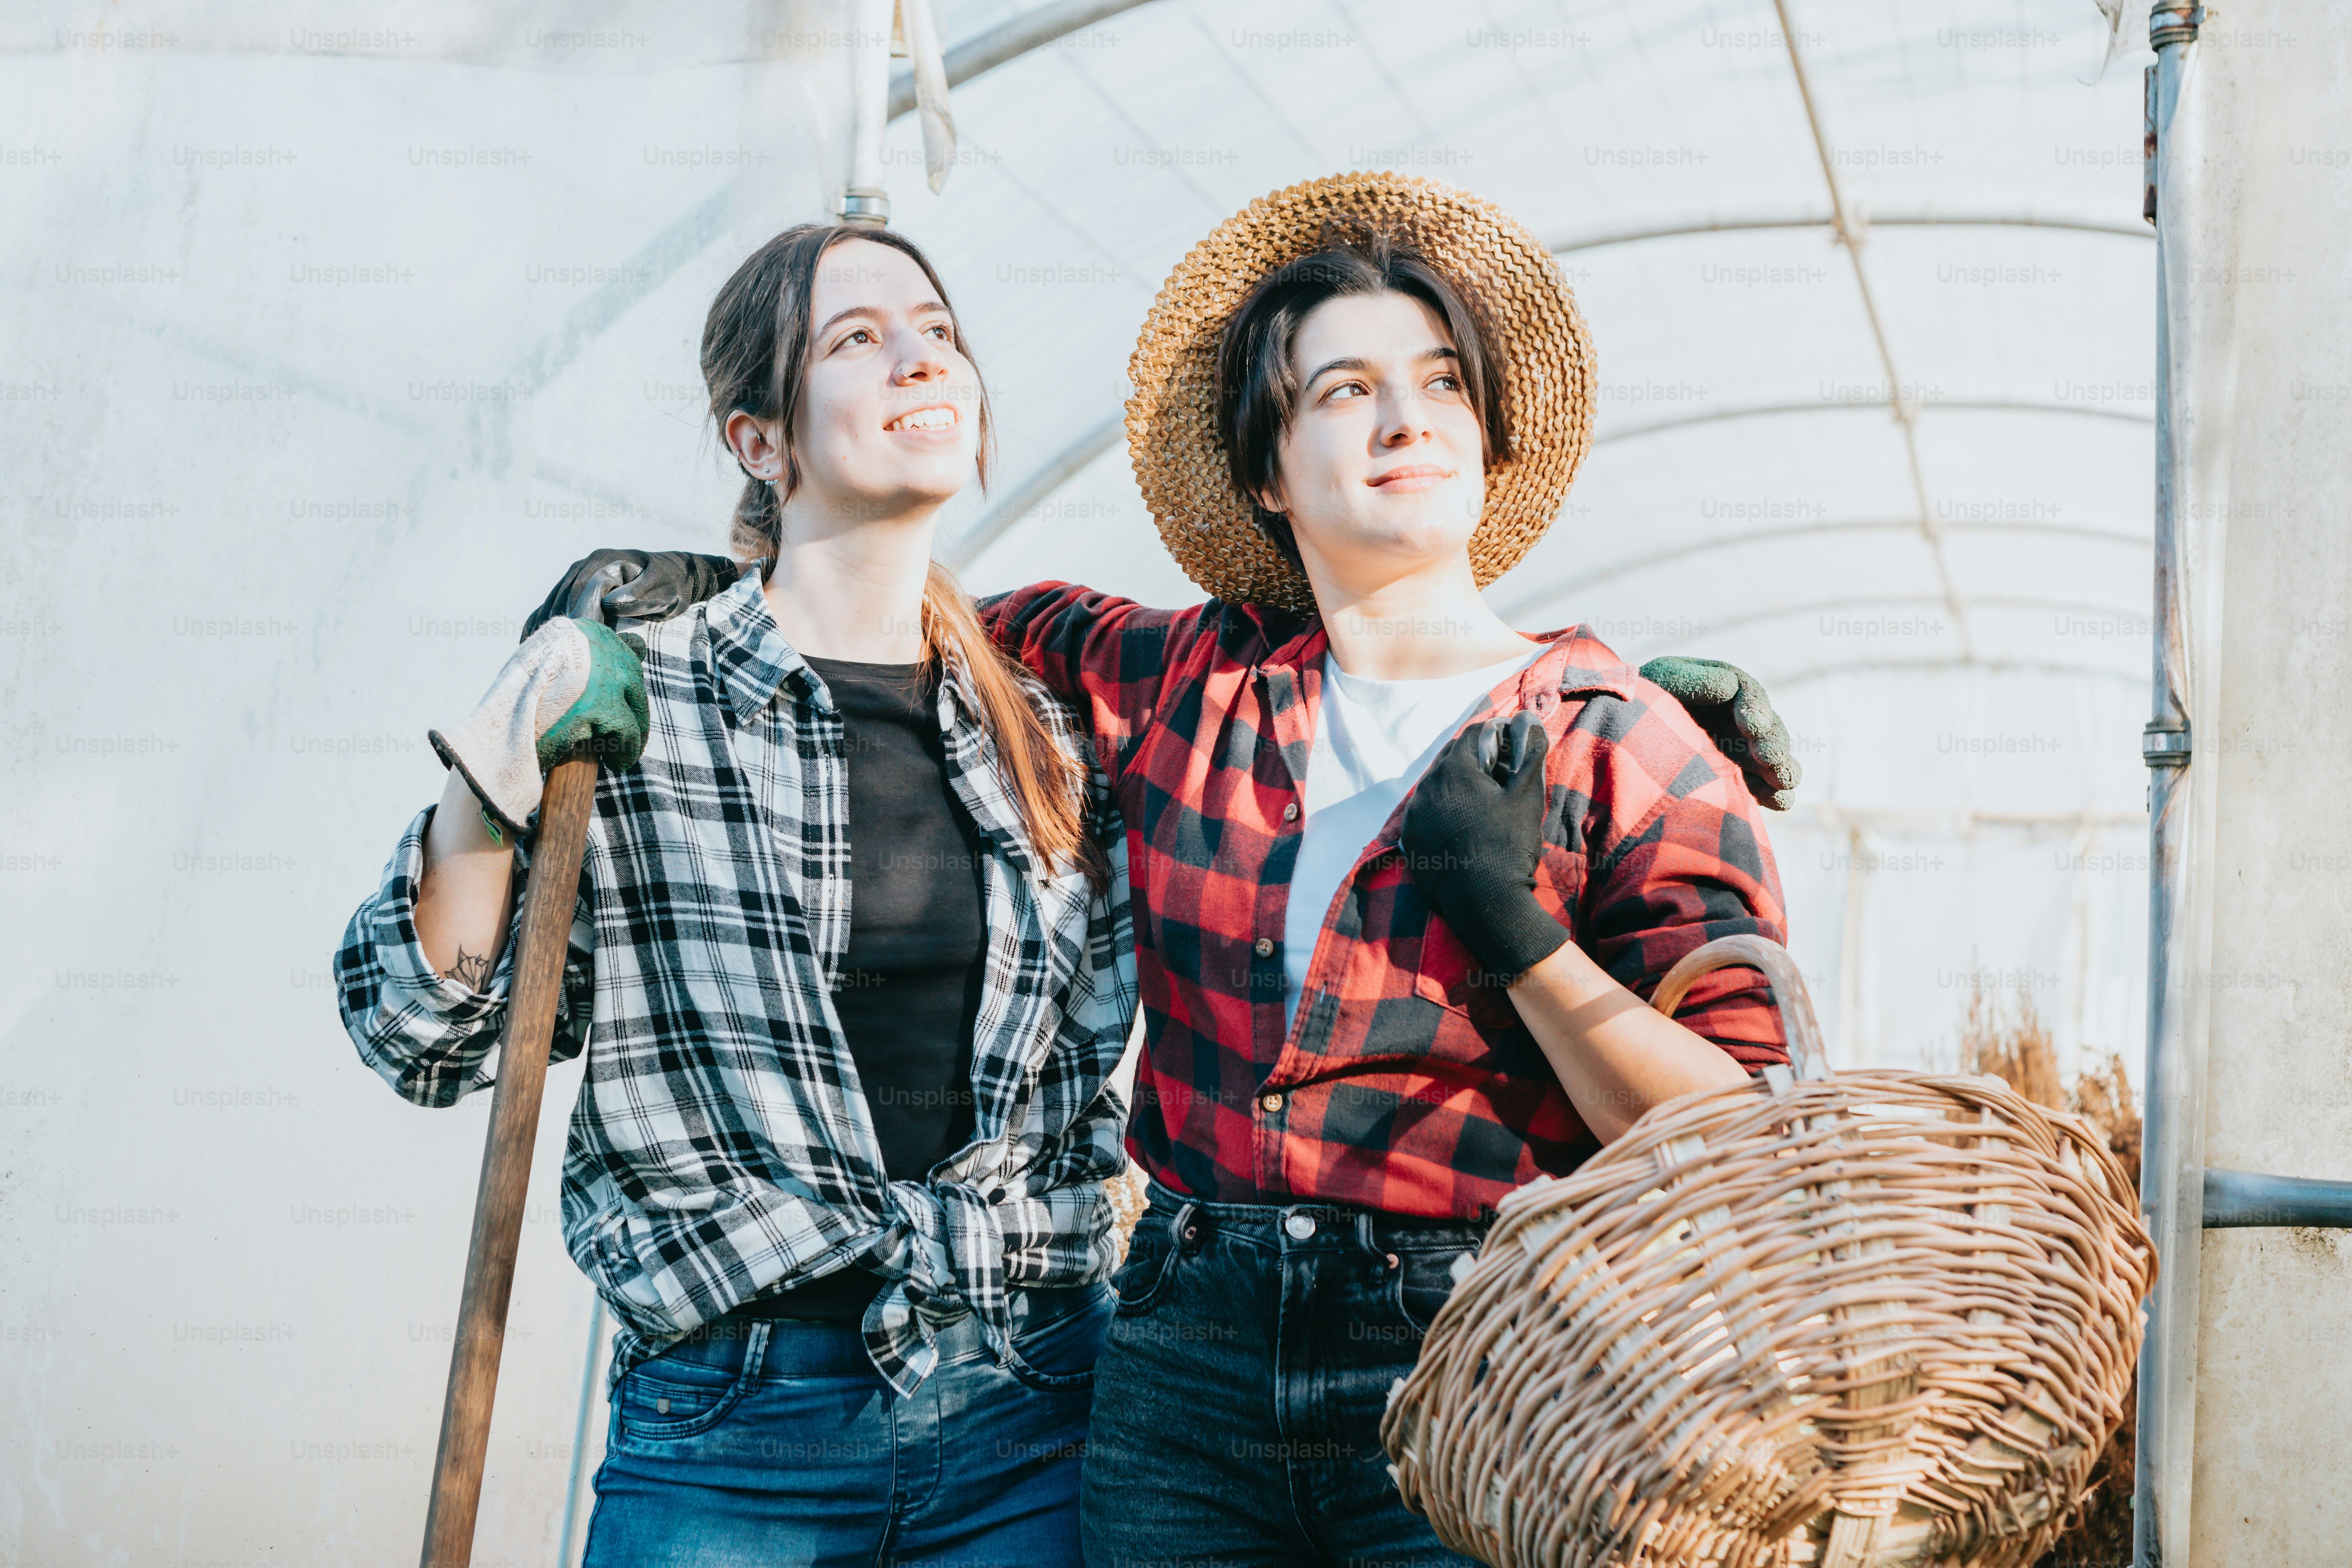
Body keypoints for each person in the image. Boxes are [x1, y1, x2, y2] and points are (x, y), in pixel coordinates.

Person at [532, 173, 1800, 1567]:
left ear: (1491, 440)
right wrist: (685, 597)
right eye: (1344, 390)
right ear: (1266, 470)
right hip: (1180, 1374)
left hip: (1482, 1362)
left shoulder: (1624, 743)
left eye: (1443, 382)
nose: (1404, 418)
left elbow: (1746, 1137)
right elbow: (886, 612)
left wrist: (1526, 937)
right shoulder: (1170, 681)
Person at [335, 222, 1136, 1567]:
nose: (917, 359)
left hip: (1030, 1403)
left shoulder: (1043, 731)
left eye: (937, 330)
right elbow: (421, 1039)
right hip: (734, 1429)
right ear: (760, 442)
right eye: (857, 340)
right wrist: (488, 782)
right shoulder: (641, 700)